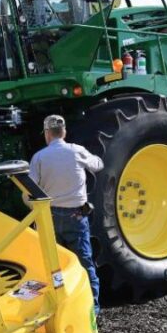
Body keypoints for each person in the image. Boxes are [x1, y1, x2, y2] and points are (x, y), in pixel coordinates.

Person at [28, 115, 103, 313]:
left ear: (47, 134)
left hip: (50, 217)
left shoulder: (39, 158)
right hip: (76, 217)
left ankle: (61, 306)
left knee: (55, 265)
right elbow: (98, 165)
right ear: (64, 132)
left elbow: (29, 192)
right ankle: (92, 308)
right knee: (84, 261)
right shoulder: (76, 151)